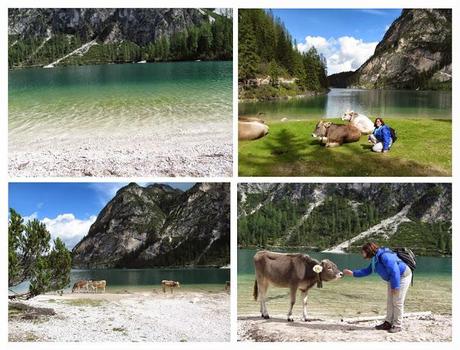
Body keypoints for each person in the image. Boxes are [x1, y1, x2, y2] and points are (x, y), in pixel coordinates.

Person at [343, 242, 412, 333]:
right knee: (390, 301)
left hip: (402, 276)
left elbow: (394, 271)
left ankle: (397, 325)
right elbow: (367, 271)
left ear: (369, 251)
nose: (362, 254)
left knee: (397, 301)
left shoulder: (385, 257)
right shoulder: (375, 259)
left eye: (363, 252)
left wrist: (395, 287)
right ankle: (388, 323)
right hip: (392, 278)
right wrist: (353, 273)